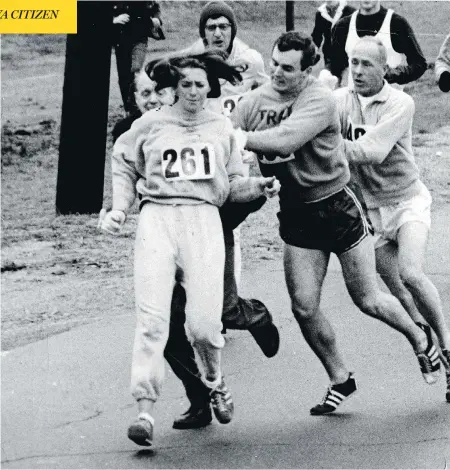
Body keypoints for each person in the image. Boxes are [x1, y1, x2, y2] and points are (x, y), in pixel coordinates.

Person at [232, 31, 441, 415]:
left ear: (308, 70)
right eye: (275, 64)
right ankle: (340, 378)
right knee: (304, 307)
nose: (278, 74)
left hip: (337, 207)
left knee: (368, 299)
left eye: (288, 68)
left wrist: (236, 137)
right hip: (297, 213)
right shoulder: (251, 104)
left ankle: (419, 336)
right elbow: (229, 149)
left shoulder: (319, 100)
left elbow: (283, 140)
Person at [100, 50, 280, 446]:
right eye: (186, 85)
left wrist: (259, 186)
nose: (194, 92)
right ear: (174, 88)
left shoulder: (221, 129)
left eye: (201, 85)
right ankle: (144, 411)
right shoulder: (150, 124)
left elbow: (234, 182)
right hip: (158, 218)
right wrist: (118, 207)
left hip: (203, 221)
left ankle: (215, 381)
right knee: (152, 320)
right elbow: (123, 161)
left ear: (209, 87)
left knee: (202, 324)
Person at [334, 36, 450, 402]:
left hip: (406, 201)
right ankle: (425, 344)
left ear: (385, 70)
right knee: (398, 295)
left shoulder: (401, 102)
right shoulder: (340, 101)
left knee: (411, 274)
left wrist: (325, 147)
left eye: (367, 64)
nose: (358, 70)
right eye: (353, 62)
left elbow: (372, 150)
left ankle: (447, 346)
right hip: (371, 210)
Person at [174, 0, 269, 287]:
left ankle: (229, 299)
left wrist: (256, 137)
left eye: (223, 27)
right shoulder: (190, 58)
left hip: (235, 151)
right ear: (203, 31)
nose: (217, 33)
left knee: (231, 229)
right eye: (211, 27)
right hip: (201, 151)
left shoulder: (250, 59)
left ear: (233, 30)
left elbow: (266, 96)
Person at [329, 0, 427, 89]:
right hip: (355, 102)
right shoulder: (343, 26)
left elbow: (419, 64)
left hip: (389, 103)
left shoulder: (396, 23)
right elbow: (335, 69)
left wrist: (394, 74)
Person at [112, 1, 165, 114]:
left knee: (136, 70)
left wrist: (157, 19)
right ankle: (129, 109)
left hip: (140, 37)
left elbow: (154, 7)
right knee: (124, 76)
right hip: (120, 40)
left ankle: (138, 106)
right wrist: (114, 19)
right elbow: (100, 11)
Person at [311, 1, 355, 68]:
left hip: (347, 56)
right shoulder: (320, 13)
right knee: (330, 77)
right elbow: (317, 36)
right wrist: (312, 51)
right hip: (329, 56)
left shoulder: (350, 11)